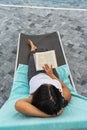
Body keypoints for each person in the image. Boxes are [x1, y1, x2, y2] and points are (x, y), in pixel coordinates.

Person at [15, 40, 71, 118]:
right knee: (44, 52)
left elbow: (18, 104)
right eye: (51, 85)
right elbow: (66, 88)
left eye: (43, 85)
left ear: (37, 94)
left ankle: (32, 49)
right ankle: (36, 49)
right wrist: (51, 75)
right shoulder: (62, 98)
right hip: (51, 74)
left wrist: (46, 115)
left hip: (34, 75)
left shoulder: (33, 98)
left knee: (33, 56)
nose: (48, 82)